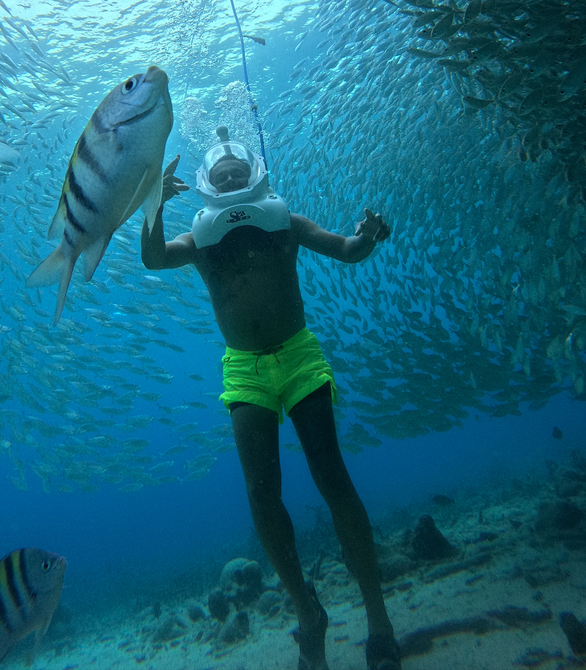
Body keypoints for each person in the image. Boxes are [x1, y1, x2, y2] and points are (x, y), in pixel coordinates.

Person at [141, 128, 402, 670]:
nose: (231, 178)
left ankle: (378, 620)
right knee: (262, 496)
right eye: (222, 175)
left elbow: (346, 250)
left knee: (333, 479)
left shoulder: (286, 223)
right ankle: (308, 613)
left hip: (300, 357)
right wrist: (154, 203)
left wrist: (368, 235)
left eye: (238, 171)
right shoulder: (200, 239)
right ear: (208, 183)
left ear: (255, 173)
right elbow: (154, 258)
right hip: (244, 370)